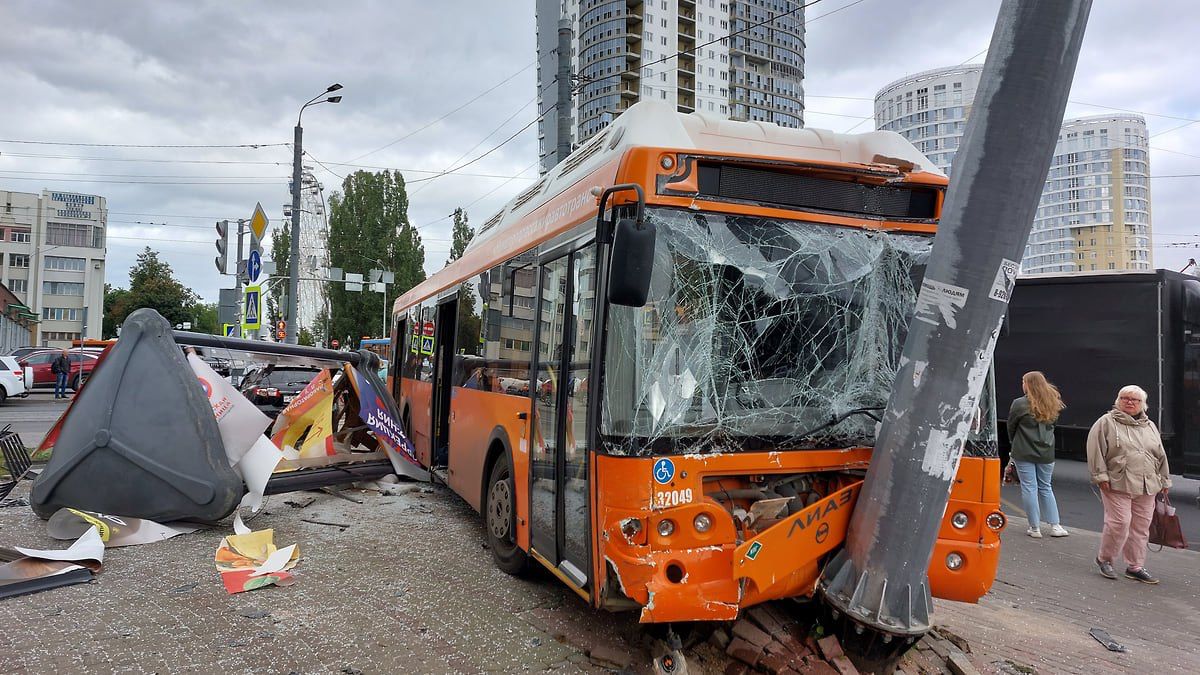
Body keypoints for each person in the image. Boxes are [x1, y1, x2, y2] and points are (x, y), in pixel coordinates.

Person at [1087, 385, 1172, 584]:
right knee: (1119, 523)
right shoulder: (1106, 422)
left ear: (1143, 404)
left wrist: (1164, 479)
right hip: (1118, 482)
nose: (1130, 402)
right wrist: (1101, 476)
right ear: (1118, 400)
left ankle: (1135, 566)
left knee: (1141, 527)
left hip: (1147, 484)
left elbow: (1160, 454)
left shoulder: (1149, 425)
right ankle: (1105, 559)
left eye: (1135, 400)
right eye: (1125, 398)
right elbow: (1095, 449)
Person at [1008, 371, 1069, 538]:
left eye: (1023, 381)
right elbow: (1053, 425)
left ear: (1028, 384)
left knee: (1029, 487)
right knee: (1046, 487)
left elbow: (1011, 426)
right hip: (1046, 451)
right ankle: (1055, 526)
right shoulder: (1053, 403)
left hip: (1023, 450)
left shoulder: (1019, 404)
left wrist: (1014, 443)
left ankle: (1034, 528)